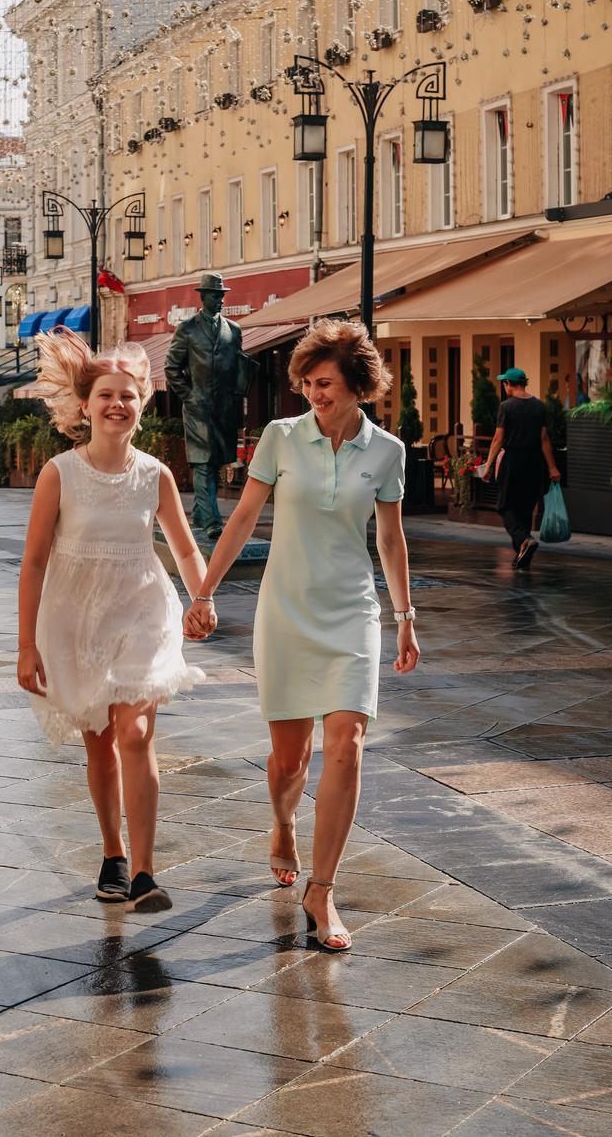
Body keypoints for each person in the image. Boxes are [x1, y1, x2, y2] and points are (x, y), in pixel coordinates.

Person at [185, 319, 419, 952]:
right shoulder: (281, 438)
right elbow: (241, 518)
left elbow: (390, 539)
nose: (316, 395)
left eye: (328, 385)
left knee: (347, 743)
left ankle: (322, 889)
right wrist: (203, 592)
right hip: (285, 611)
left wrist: (405, 617)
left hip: (351, 612)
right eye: (309, 384)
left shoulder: (386, 452)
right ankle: (284, 822)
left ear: (359, 386)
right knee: (289, 758)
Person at [18, 328, 207, 912]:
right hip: (75, 616)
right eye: (106, 395)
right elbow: (34, 560)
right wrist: (27, 646)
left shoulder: (155, 475)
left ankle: (147, 873)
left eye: (128, 395)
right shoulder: (59, 473)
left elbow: (183, 548)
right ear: (86, 404)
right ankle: (113, 854)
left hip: (143, 610)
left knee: (137, 732)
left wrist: (203, 596)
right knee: (98, 744)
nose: (117, 404)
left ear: (140, 404)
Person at [164, 271, 255, 539]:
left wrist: (242, 382)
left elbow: (238, 362)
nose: (220, 300)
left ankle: (201, 514)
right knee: (203, 463)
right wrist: (189, 396)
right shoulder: (188, 329)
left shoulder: (233, 330)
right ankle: (213, 521)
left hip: (224, 408)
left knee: (215, 463)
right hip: (198, 408)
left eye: (222, 295)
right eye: (215, 295)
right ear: (203, 297)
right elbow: (171, 368)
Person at [482, 366, 560, 571]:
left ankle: (523, 539)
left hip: (513, 461)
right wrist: (552, 467)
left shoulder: (506, 407)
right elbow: (544, 439)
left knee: (505, 506)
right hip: (535, 462)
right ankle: (521, 553)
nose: (504, 387)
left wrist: (488, 465)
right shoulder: (540, 407)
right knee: (525, 508)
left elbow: (498, 438)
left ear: (509, 384)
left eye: (504, 383)